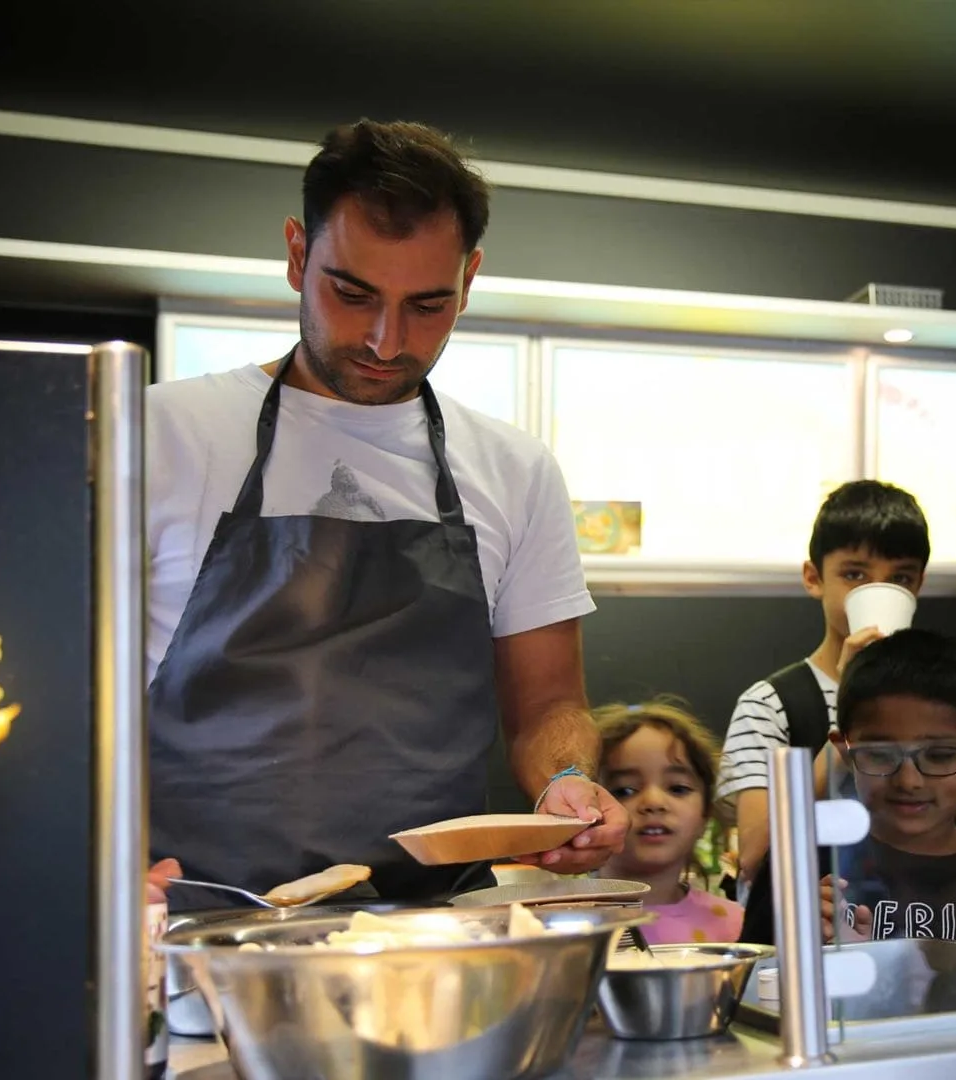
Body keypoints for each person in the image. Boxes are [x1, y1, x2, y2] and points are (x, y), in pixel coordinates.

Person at [144, 120, 626, 908]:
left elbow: (548, 704)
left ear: (469, 279)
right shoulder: (160, 435)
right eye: (352, 293)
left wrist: (567, 781)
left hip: (428, 935)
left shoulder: (514, 469)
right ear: (298, 254)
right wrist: (109, 863)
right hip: (196, 918)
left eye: (428, 304)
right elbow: (71, 699)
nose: (384, 339)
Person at [715, 481, 956, 883]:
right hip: (811, 927)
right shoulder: (771, 704)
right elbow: (754, 857)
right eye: (854, 574)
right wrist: (852, 702)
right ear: (814, 578)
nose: (877, 590)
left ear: (919, 585)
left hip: (925, 928)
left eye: (900, 578)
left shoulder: (950, 700)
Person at [738, 630, 956, 945]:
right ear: (844, 750)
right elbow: (749, 981)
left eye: (939, 756)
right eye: (880, 754)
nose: (908, 781)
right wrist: (799, 939)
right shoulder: (801, 862)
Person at [594, 699, 743, 944]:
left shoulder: (735, 927)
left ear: (705, 813)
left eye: (677, 788)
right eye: (625, 791)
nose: (653, 802)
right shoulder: (559, 930)